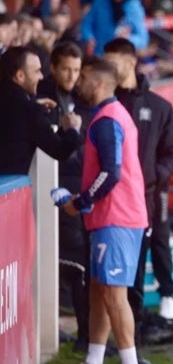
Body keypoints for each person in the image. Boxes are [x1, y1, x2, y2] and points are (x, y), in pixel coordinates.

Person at [102, 38, 173, 350]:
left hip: (150, 196)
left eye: (113, 61)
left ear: (130, 62)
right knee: (119, 268)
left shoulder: (158, 107)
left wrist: (152, 176)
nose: (108, 68)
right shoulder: (103, 105)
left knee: (158, 245)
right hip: (109, 202)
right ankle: (116, 334)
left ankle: (163, 306)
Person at [60, 56, 147, 364]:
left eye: (82, 77)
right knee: (99, 291)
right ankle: (94, 359)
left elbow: (111, 173)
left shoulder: (108, 119)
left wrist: (81, 201)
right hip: (113, 217)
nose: (77, 82)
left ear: (97, 82)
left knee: (113, 294)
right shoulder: (110, 116)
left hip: (116, 218)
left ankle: (129, 360)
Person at [37, 41, 94, 354]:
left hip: (80, 188)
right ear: (54, 68)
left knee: (80, 267)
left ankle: (87, 336)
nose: (72, 76)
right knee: (67, 266)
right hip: (52, 188)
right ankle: (72, 334)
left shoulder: (84, 99)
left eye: (76, 70)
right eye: (67, 70)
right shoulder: (42, 99)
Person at [0, 45, 82, 175]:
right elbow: (60, 150)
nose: (42, 76)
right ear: (20, 76)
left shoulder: (28, 108)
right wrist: (73, 129)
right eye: (37, 71)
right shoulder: (30, 111)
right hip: (9, 191)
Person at [81, 0, 149, 56]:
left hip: (120, 56)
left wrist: (128, 39)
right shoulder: (101, 1)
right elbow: (87, 22)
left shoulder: (135, 8)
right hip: (99, 53)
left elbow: (142, 39)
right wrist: (88, 37)